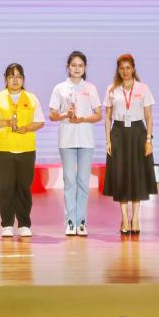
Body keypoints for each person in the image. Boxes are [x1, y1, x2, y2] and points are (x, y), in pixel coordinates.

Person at [0, 63, 46, 237]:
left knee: (24, 188)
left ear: (23, 79)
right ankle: (7, 225)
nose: (15, 80)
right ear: (6, 79)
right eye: (11, 76)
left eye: (18, 76)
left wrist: (26, 128)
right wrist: (6, 123)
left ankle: (24, 224)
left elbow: (40, 121)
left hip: (26, 150)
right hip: (3, 150)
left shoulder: (32, 99)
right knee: (6, 188)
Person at [48, 50, 102, 236]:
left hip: (86, 140)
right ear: (68, 67)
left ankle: (82, 221)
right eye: (73, 65)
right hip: (67, 139)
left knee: (83, 181)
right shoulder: (60, 88)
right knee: (70, 180)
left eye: (80, 65)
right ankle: (70, 221)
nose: (77, 69)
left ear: (85, 67)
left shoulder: (90, 88)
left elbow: (98, 115)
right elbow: (52, 114)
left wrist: (82, 119)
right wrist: (65, 114)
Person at [102, 53, 157, 234]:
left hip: (138, 133)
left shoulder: (143, 88)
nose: (125, 71)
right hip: (118, 133)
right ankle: (125, 218)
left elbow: (148, 116)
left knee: (137, 174)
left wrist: (149, 140)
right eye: (121, 68)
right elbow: (107, 117)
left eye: (128, 68)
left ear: (133, 68)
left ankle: (136, 218)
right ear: (118, 70)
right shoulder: (112, 89)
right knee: (121, 174)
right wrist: (108, 140)